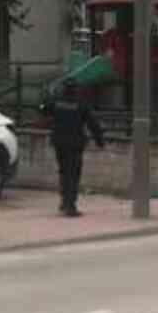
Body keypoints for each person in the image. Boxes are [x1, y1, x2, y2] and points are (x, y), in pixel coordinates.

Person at [42, 79, 104, 217]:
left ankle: (64, 201)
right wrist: (100, 141)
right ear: (76, 90)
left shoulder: (56, 102)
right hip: (75, 144)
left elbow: (44, 110)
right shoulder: (81, 104)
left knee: (64, 172)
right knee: (73, 174)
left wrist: (48, 96)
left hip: (59, 143)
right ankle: (70, 205)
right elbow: (93, 123)